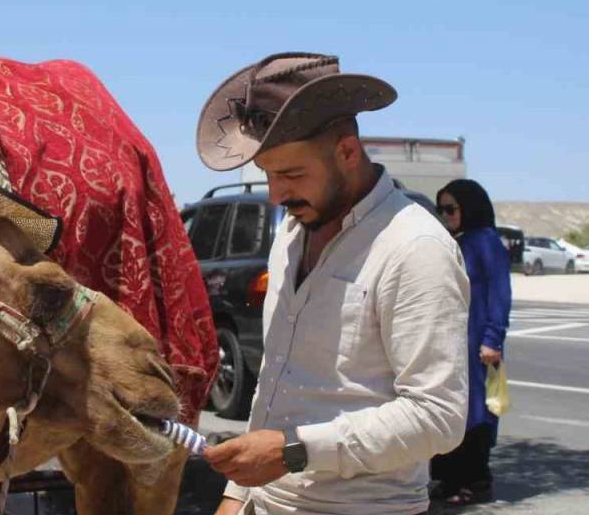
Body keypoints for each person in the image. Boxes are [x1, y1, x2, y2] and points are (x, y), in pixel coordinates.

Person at [195, 52, 470, 515]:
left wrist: (292, 451)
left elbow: (438, 417)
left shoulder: (415, 246)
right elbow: (275, 377)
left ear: (347, 151)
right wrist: (236, 496)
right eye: (268, 174)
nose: (278, 195)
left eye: (291, 174)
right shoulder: (290, 234)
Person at [429, 179, 512, 505]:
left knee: (477, 414)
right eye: (442, 209)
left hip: (478, 345)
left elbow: (499, 295)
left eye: (452, 209)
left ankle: (476, 483)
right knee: (448, 409)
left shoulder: (486, 242)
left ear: (470, 208)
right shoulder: (456, 241)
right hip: (450, 345)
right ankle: (448, 479)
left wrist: (492, 339)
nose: (445, 215)